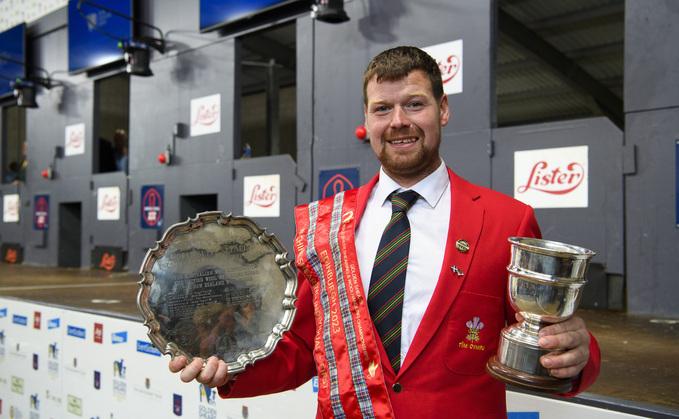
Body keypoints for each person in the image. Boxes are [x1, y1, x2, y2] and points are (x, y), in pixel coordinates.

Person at [169, 46, 600, 418]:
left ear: (443, 110)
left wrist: (574, 355)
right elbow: (304, 347)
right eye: (382, 108)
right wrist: (230, 363)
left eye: (415, 104)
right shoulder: (325, 224)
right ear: (367, 119)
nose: (398, 121)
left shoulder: (508, 221)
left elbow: (542, 339)